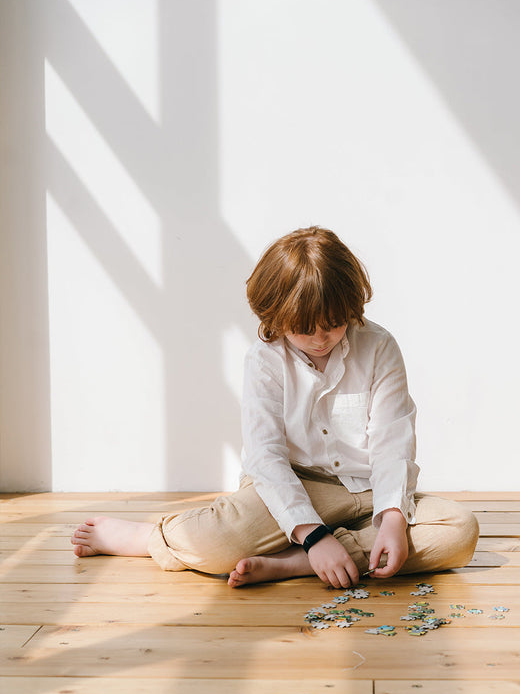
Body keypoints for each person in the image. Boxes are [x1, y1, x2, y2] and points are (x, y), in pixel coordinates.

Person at [71, 226, 479, 589]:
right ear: (276, 318)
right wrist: (314, 533)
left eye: (334, 325)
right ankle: (150, 538)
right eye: (305, 330)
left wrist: (392, 516)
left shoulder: (379, 346)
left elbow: (393, 440)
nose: (321, 339)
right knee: (213, 544)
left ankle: (297, 564)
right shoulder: (264, 360)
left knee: (459, 530)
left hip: (370, 489)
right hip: (294, 484)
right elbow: (265, 457)